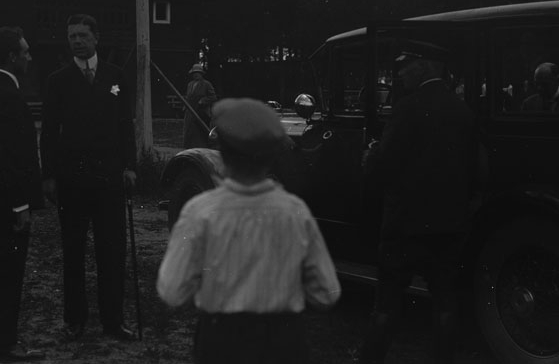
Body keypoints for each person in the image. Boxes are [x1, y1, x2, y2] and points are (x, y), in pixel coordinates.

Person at [157, 98, 342, 364]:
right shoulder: (294, 211)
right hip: (283, 341)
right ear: (271, 156)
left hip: (222, 339)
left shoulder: (200, 211)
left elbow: (172, 290)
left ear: (223, 153)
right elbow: (326, 292)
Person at [360, 43, 477, 364]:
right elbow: (474, 170)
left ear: (424, 67)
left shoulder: (406, 108)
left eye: (405, 66)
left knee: (386, 305)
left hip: (405, 224)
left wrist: (370, 156)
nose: (399, 73)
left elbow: (382, 166)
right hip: (449, 225)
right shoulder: (463, 111)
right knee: (445, 303)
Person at [39, 14, 138, 342]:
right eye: (72, 36)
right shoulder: (58, 80)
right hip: (73, 181)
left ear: (96, 38)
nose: (77, 41)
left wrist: (129, 166)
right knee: (73, 251)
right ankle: (75, 319)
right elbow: (49, 132)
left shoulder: (115, 77)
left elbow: (125, 124)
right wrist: (49, 175)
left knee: (112, 251)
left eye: (82, 35)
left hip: (109, 179)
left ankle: (113, 321)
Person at [0, 26, 45, 361]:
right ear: (12, 56)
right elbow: (10, 157)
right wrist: (20, 205)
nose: (29, 57)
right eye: (25, 52)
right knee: (7, 271)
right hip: (8, 200)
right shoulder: (9, 97)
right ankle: (3, 342)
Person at [182, 63, 217, 149]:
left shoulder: (206, 84)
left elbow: (213, 97)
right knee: (189, 131)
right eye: (194, 73)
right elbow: (188, 97)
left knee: (200, 132)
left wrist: (203, 101)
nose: (196, 75)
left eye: (198, 73)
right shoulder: (190, 84)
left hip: (202, 112)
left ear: (201, 74)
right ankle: (189, 148)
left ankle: (202, 148)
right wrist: (185, 105)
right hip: (190, 111)